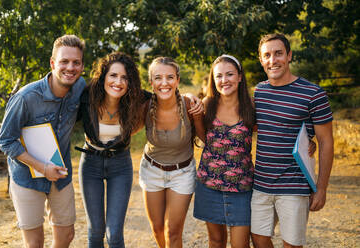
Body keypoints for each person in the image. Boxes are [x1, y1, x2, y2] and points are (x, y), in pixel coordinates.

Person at [0, 35, 86, 248]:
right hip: (27, 176)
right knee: (35, 243)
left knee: (66, 235)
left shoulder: (80, 87)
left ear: (82, 66)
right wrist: (42, 167)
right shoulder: (25, 97)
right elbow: (5, 140)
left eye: (76, 62)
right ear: (53, 63)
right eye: (64, 61)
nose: (70, 67)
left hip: (61, 175)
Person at [251, 33, 334, 248]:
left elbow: (326, 142)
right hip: (261, 184)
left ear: (289, 56)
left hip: (294, 186)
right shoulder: (258, 93)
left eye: (278, 54)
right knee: (258, 240)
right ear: (261, 60)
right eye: (267, 55)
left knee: (292, 245)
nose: (273, 60)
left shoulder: (313, 94)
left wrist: (321, 188)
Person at [76, 52, 147, 248]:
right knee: (96, 231)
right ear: (103, 77)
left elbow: (166, 95)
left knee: (114, 234)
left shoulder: (137, 99)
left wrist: (189, 97)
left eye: (125, 77)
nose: (118, 82)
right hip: (90, 164)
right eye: (113, 75)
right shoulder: (86, 97)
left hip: (120, 166)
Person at [139, 57, 204, 248]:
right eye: (158, 78)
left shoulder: (189, 105)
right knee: (158, 228)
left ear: (177, 80)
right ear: (151, 82)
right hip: (152, 170)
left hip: (182, 173)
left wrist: (199, 109)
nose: (164, 83)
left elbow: (205, 138)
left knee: (173, 232)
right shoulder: (145, 107)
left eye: (170, 77)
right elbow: (126, 129)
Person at [193, 55, 255, 248]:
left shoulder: (251, 106)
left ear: (239, 77)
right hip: (209, 183)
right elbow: (205, 139)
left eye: (230, 74)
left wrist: (306, 141)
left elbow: (273, 132)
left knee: (240, 244)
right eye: (219, 76)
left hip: (242, 187)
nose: (224, 80)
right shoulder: (207, 104)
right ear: (214, 79)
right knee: (217, 241)